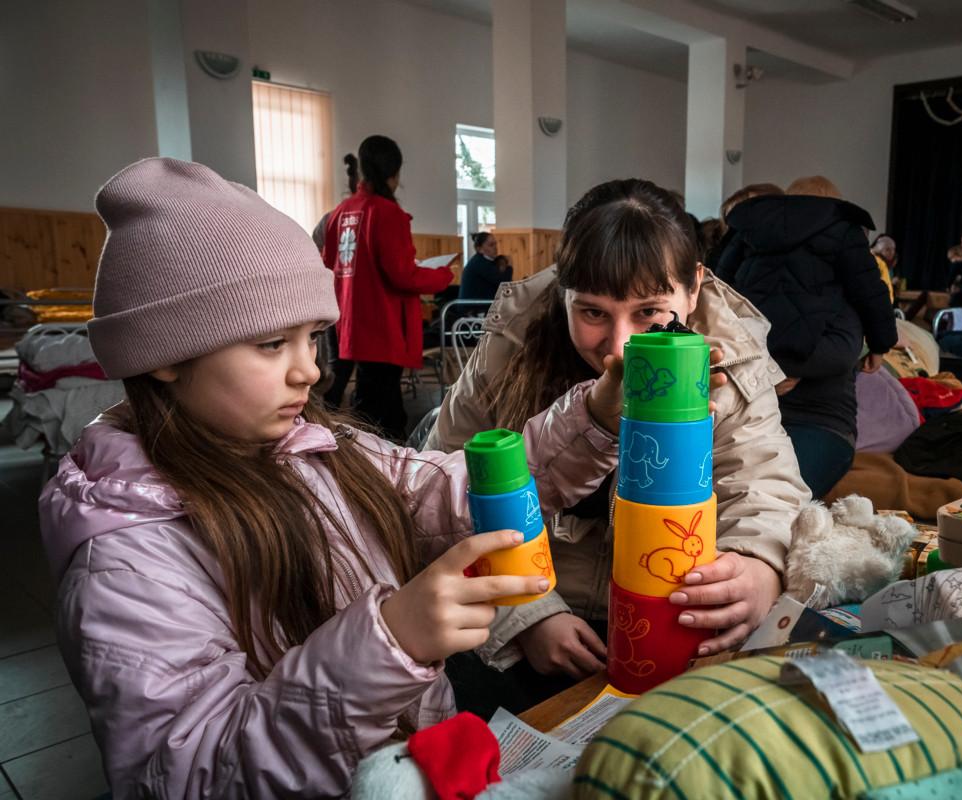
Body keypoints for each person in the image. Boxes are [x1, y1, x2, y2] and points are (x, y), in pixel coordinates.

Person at [40, 157, 625, 796]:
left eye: (313, 337)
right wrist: (388, 641)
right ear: (164, 358)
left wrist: (592, 417)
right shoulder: (128, 554)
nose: (310, 371)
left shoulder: (316, 446)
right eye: (270, 345)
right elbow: (188, 773)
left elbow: (448, 488)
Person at [428, 179, 813, 717]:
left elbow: (764, 483)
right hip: (525, 616)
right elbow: (441, 490)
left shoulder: (729, 359)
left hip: (669, 617)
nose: (619, 347)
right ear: (563, 291)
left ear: (694, 288)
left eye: (650, 313)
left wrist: (758, 566)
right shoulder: (510, 344)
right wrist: (527, 614)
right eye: (592, 313)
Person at [719, 175, 898, 499]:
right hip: (763, 407)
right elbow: (872, 292)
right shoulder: (843, 234)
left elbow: (720, 289)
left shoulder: (750, 231)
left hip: (804, 415)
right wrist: (882, 342)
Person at [321, 135, 453, 440]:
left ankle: (362, 464)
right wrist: (442, 276)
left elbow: (329, 265)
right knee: (385, 414)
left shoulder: (340, 212)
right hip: (381, 323)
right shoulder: (386, 213)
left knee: (368, 403)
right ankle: (382, 476)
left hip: (347, 319)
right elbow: (403, 276)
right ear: (394, 173)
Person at [315, 154, 360, 408]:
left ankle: (330, 412)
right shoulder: (342, 218)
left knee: (338, 365)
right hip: (348, 304)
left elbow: (321, 259)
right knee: (341, 366)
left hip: (336, 300)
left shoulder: (333, 217)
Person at [459, 231, 512, 301]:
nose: (495, 247)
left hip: (483, 304)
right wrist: (509, 266)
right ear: (479, 249)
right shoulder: (479, 263)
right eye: (491, 245)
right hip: (473, 308)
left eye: (495, 244)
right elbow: (503, 283)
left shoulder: (487, 261)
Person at [870, 234, 898, 303]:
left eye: (893, 250)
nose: (893, 253)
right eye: (890, 249)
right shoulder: (879, 263)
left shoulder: (876, 260)